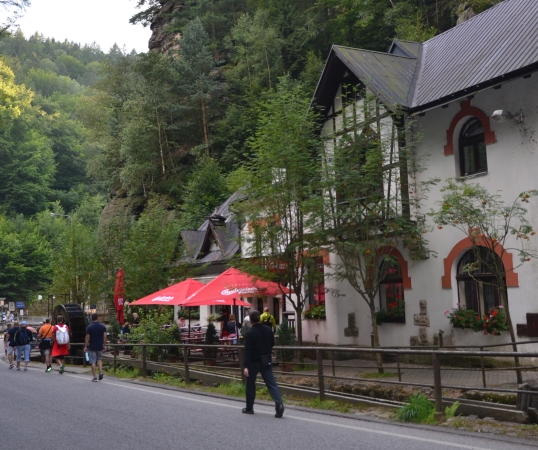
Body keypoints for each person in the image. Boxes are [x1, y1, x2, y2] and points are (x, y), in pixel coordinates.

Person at [242, 309, 284, 418]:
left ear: (250, 320)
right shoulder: (268, 330)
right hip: (266, 359)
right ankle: (279, 404)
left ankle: (249, 408)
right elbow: (272, 343)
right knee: (271, 383)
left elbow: (247, 351)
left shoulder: (250, 333)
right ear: (259, 318)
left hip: (253, 361)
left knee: (251, 384)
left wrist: (246, 366)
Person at [84, 313, 107, 382]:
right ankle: (100, 371)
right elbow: (105, 336)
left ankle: (94, 377)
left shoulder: (89, 327)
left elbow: (87, 337)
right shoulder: (103, 326)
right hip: (100, 345)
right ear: (97, 318)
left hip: (92, 346)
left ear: (91, 318)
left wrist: (85, 346)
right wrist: (104, 345)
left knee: (93, 361)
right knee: (99, 359)